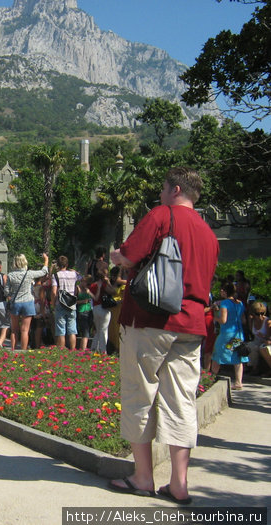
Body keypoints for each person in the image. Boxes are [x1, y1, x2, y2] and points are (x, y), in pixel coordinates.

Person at [108, 167, 219, 506]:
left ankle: (142, 477)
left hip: (149, 320)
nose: (160, 193)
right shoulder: (208, 234)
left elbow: (129, 256)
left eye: (162, 187)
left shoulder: (161, 216)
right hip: (192, 325)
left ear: (174, 189)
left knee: (139, 394)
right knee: (182, 401)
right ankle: (179, 484)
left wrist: (115, 257)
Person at [5, 253, 49, 351]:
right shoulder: (29, 273)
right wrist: (46, 260)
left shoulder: (10, 275)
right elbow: (43, 271)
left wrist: (11, 296)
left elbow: (6, 291)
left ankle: (13, 350)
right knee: (25, 330)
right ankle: (23, 351)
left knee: (14, 330)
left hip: (15, 302)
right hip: (27, 302)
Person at [211, 282, 248, 389]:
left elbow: (223, 320)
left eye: (222, 290)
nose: (221, 291)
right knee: (237, 357)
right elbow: (243, 320)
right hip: (238, 334)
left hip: (226, 335)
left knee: (217, 355)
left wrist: (215, 317)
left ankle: (212, 378)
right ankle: (238, 382)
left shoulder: (225, 303)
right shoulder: (240, 303)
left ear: (226, 291)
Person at [51, 256, 80, 350]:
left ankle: (61, 350)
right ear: (67, 264)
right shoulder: (74, 274)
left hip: (60, 303)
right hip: (71, 303)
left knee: (61, 330)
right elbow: (82, 278)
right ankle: (72, 349)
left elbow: (54, 291)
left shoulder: (56, 275)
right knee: (72, 329)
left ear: (58, 265)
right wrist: (75, 271)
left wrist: (53, 302)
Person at [89, 264, 116, 353]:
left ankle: (94, 348)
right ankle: (103, 350)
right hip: (103, 308)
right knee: (104, 330)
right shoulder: (103, 285)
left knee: (98, 329)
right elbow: (113, 292)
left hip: (95, 308)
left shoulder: (93, 285)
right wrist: (108, 282)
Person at [247, 300, 271, 376]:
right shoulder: (251, 321)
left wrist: (263, 337)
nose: (260, 316)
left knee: (263, 348)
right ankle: (254, 368)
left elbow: (268, 338)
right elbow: (252, 332)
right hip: (256, 340)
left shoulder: (267, 321)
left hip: (265, 340)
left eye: (262, 313)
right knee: (251, 346)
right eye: (257, 314)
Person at [76, 275, 94, 351]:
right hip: (81, 311)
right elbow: (73, 301)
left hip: (89, 310)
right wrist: (83, 301)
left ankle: (84, 348)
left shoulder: (87, 289)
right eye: (87, 283)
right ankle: (83, 350)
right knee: (85, 332)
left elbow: (94, 297)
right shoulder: (77, 288)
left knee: (88, 331)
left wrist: (89, 292)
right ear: (83, 281)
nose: (88, 285)